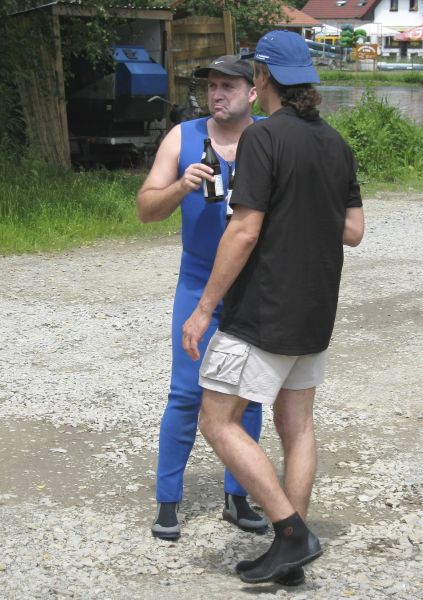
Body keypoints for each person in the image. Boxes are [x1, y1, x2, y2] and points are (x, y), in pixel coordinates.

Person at [182, 30, 364, 585]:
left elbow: (243, 231)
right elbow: (353, 230)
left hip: (265, 309)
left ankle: (290, 533)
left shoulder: (262, 138)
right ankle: (292, 555)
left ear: (262, 77)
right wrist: (306, 208)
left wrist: (204, 307)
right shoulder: (335, 142)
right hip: (316, 309)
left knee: (217, 420)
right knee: (297, 425)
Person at [136, 55, 268, 541]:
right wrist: (180, 186)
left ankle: (239, 495)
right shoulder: (183, 137)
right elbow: (146, 209)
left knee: (247, 395)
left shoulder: (268, 136)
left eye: (228, 85)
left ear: (252, 92)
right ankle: (168, 501)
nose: (217, 94)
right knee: (186, 393)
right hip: (197, 282)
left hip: (254, 285)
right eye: (212, 85)